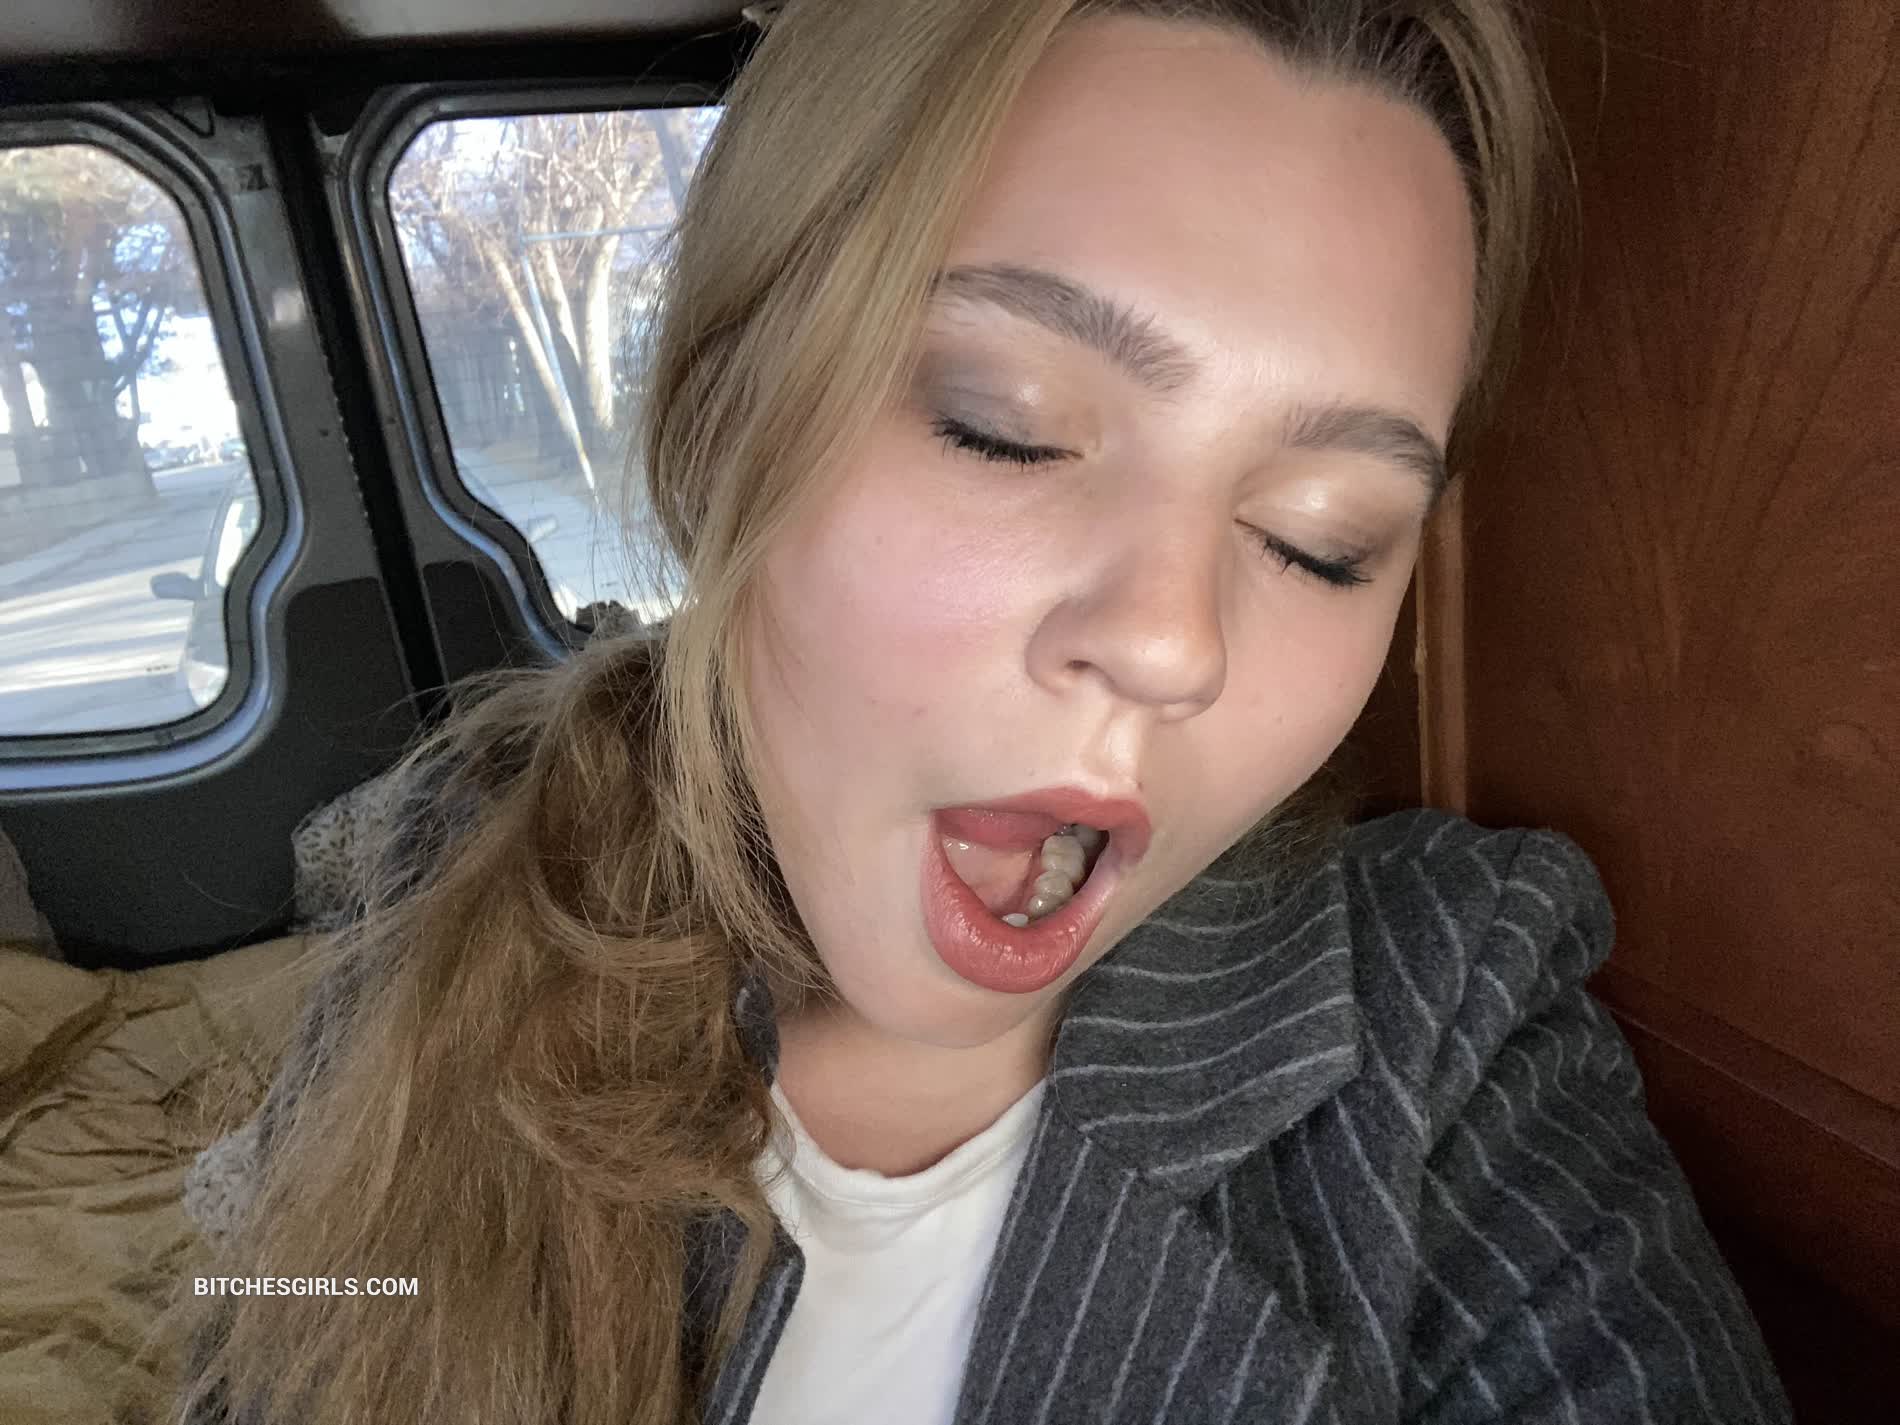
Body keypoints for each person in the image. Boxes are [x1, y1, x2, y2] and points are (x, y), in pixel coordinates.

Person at [178, 1, 1792, 1422]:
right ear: (727, 413)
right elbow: (287, 1318)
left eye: (1324, 538)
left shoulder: (1451, 1019)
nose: (1173, 644)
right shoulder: (465, 852)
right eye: (1002, 426)